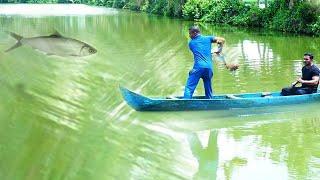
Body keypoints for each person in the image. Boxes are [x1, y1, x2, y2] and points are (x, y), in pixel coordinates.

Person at [184, 25, 225, 99]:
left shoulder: (191, 43)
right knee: (208, 86)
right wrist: (219, 50)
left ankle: (185, 103)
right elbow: (221, 40)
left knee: (189, 88)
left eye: (190, 33)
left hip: (198, 68)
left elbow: (199, 53)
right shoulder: (208, 38)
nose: (189, 36)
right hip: (209, 68)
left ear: (195, 33)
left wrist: (193, 72)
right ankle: (209, 100)